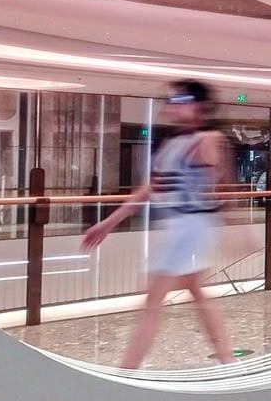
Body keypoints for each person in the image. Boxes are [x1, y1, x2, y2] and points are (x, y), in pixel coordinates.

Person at [82, 80, 235, 369]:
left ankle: (127, 369)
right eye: (173, 100)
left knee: (153, 298)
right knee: (195, 289)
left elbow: (218, 184)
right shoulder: (176, 143)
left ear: (200, 106)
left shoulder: (207, 140)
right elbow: (150, 189)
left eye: (182, 100)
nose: (174, 105)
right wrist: (108, 223)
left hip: (190, 226)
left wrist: (230, 220)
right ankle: (227, 358)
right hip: (183, 225)